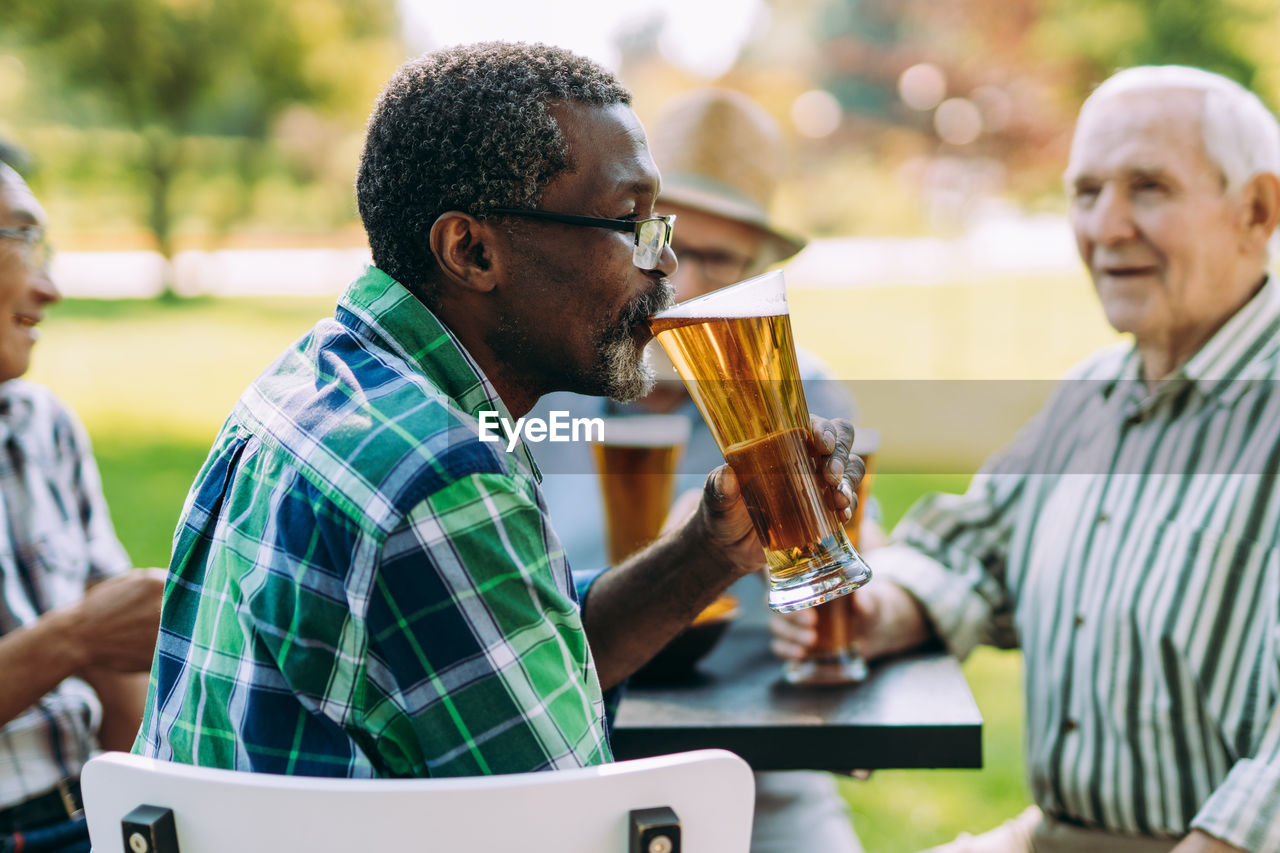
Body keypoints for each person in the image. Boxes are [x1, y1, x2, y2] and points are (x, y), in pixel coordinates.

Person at [134, 42, 863, 780]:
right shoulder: (441, 474)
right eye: (629, 222)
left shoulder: (314, 378)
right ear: (472, 251)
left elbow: (519, 647)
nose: (665, 263)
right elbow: (569, 818)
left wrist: (709, 548)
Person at [773, 65, 1280, 853]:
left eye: (1148, 187)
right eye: (1086, 192)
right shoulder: (1093, 395)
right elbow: (969, 551)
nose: (1106, 228)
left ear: (1257, 209)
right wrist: (875, 613)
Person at [528, 88, 864, 853]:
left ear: (754, 270)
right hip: (572, 779)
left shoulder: (795, 390)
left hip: (756, 780)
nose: (683, 277)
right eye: (660, 239)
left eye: (718, 257)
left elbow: (855, 564)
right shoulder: (537, 389)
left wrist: (844, 616)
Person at [0, 157, 165, 852]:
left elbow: (117, 668)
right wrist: (74, 636)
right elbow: (92, 635)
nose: (51, 288)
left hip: (88, 815)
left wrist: (148, 810)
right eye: (23, 241)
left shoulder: (45, 427)